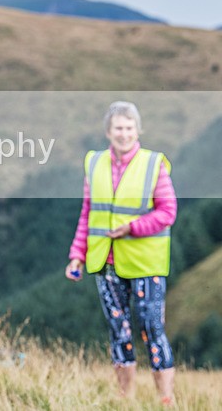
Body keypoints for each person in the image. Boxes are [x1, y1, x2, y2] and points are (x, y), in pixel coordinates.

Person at [65, 101, 177, 406]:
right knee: (119, 331)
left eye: (129, 128)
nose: (124, 134)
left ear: (138, 130)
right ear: (108, 132)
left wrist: (133, 228)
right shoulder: (94, 164)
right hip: (106, 262)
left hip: (145, 263)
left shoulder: (154, 165)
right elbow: (88, 213)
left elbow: (168, 212)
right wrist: (77, 254)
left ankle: (165, 399)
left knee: (152, 330)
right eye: (118, 128)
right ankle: (125, 399)